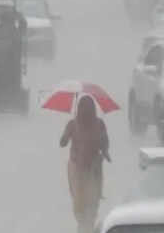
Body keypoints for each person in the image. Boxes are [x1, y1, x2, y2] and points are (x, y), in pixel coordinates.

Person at [59, 95, 111, 233]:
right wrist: (68, 132)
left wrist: (103, 151)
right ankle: (83, 225)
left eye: (89, 109)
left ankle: (88, 226)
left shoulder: (99, 124)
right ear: (79, 110)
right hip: (76, 168)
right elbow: (62, 143)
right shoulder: (73, 124)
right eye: (84, 109)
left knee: (93, 202)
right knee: (78, 203)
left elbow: (105, 143)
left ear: (93, 110)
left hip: (94, 169)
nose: (86, 112)